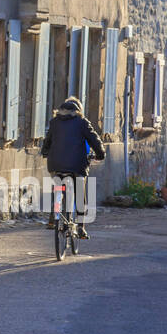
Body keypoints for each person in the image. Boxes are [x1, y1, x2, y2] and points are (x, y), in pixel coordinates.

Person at [40, 97, 105, 238]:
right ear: (78, 111)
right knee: (80, 192)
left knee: (58, 186)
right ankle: (81, 227)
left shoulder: (54, 122)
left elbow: (47, 141)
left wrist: (45, 152)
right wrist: (100, 154)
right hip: (77, 165)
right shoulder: (82, 122)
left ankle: (53, 216)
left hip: (56, 164)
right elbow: (94, 140)